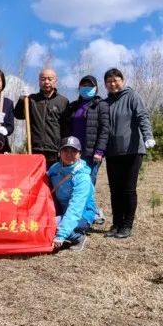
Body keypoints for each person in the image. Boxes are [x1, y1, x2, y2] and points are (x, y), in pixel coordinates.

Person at [103, 68, 155, 239]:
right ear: (106, 84)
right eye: (109, 81)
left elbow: (142, 116)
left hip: (132, 151)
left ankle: (127, 225)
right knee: (115, 190)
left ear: (122, 81)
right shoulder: (105, 103)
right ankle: (116, 223)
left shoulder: (132, 97)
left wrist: (148, 135)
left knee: (128, 189)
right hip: (112, 152)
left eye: (116, 80)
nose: (113, 84)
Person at [62, 75, 110, 224]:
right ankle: (73, 213)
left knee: (87, 184)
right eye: (84, 85)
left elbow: (105, 130)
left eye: (90, 85)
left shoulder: (101, 105)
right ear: (79, 88)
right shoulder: (73, 106)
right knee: (72, 183)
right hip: (74, 153)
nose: (87, 88)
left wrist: (99, 151)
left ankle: (88, 215)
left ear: (96, 88)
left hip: (91, 153)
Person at [48, 137, 96, 251]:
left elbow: (76, 207)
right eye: (65, 150)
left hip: (82, 215)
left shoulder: (82, 177)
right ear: (60, 153)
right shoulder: (55, 169)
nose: (69, 154)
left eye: (73, 151)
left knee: (49, 225)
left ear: (79, 154)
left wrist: (61, 234)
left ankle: (78, 237)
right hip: (63, 212)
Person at [14, 68, 69, 169]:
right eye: (43, 79)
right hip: (34, 149)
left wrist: (63, 149)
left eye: (50, 79)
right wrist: (22, 99)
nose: (46, 82)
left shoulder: (63, 101)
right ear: (39, 81)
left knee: (52, 181)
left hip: (54, 151)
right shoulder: (31, 99)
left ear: (55, 80)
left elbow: (66, 128)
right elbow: (18, 115)